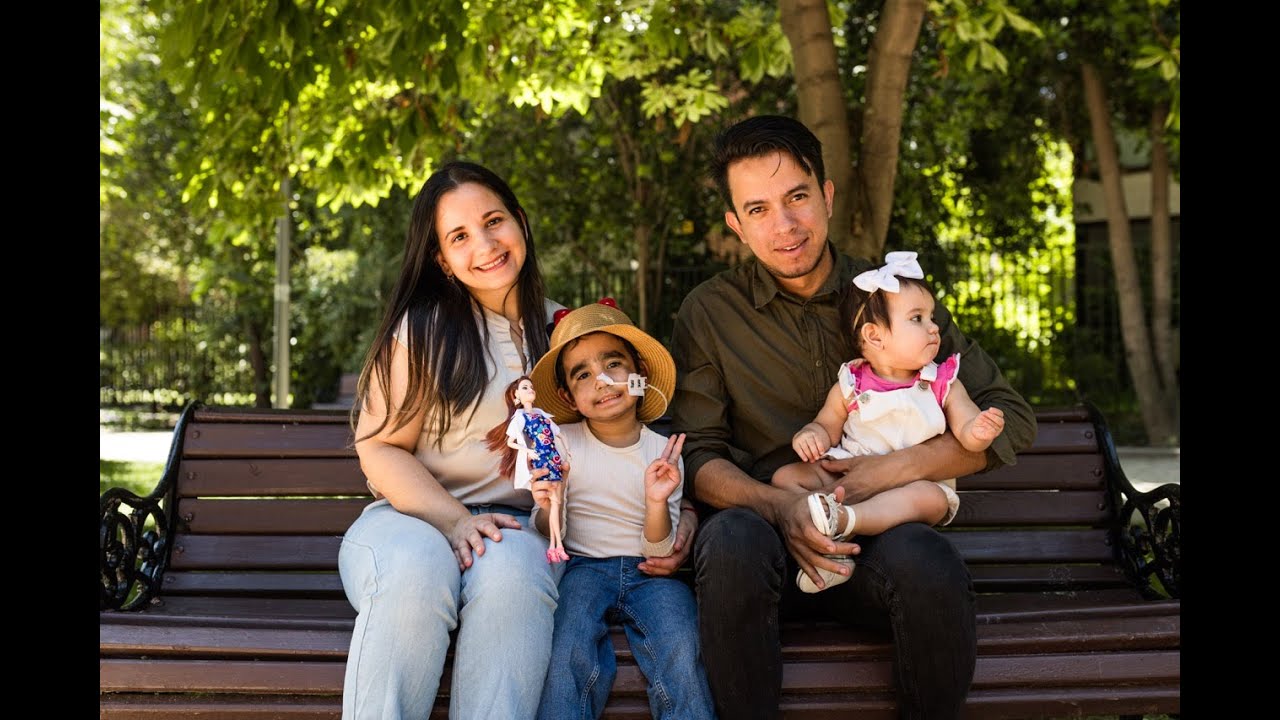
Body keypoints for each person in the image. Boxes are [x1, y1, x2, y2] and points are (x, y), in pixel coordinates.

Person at [668, 115, 1037, 719]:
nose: (785, 226)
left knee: (928, 561)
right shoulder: (709, 312)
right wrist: (780, 508)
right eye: (758, 209)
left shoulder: (891, 295)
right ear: (736, 223)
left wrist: (893, 470)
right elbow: (697, 452)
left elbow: (1011, 416)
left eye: (797, 198)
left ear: (828, 195)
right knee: (730, 540)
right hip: (763, 547)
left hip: (878, 535)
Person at [339, 160, 578, 720]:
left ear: (520, 221)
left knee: (514, 575)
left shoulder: (569, 333)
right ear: (442, 260)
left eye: (494, 222)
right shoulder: (422, 330)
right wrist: (454, 521)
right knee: (416, 572)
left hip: (519, 528)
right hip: (410, 519)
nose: (486, 245)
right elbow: (379, 448)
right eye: (460, 236)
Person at [773, 251, 1007, 594]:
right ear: (874, 336)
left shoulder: (941, 382)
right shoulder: (851, 383)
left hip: (912, 484)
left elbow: (966, 431)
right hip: (849, 473)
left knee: (932, 499)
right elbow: (827, 425)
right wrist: (812, 435)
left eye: (931, 317)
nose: (934, 327)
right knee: (785, 477)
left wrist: (979, 431)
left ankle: (846, 522)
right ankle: (832, 550)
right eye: (917, 318)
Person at [527, 300, 715, 720]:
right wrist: (550, 500)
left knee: (682, 647)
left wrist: (656, 499)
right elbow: (547, 529)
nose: (602, 381)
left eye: (613, 364)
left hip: (651, 576)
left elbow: (659, 550)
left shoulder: (664, 452)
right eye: (582, 374)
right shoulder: (562, 443)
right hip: (582, 569)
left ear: (639, 374)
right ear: (568, 397)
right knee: (566, 650)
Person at [486, 374, 571, 562]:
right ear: (516, 395)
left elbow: (558, 433)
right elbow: (511, 442)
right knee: (552, 501)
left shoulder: (541, 415)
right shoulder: (520, 418)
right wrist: (527, 451)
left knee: (556, 503)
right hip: (540, 458)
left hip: (553, 457)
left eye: (531, 387)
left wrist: (567, 449)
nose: (530, 390)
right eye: (525, 387)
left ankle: (556, 546)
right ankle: (554, 547)